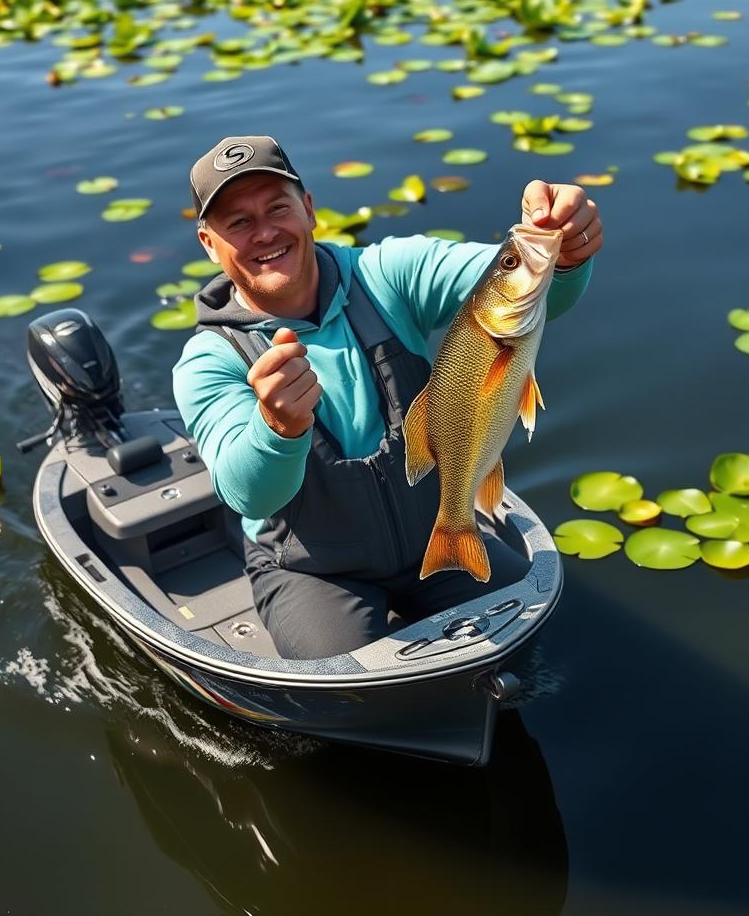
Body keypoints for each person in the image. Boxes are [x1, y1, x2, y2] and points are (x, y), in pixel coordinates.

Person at [173, 135, 602, 660]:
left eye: (277, 208)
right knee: (338, 675)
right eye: (238, 222)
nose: (265, 232)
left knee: (542, 626)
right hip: (315, 569)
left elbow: (515, 290)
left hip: (435, 529)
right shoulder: (208, 362)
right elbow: (249, 496)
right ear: (208, 243)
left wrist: (561, 254)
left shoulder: (387, 273)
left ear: (308, 210)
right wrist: (277, 427)